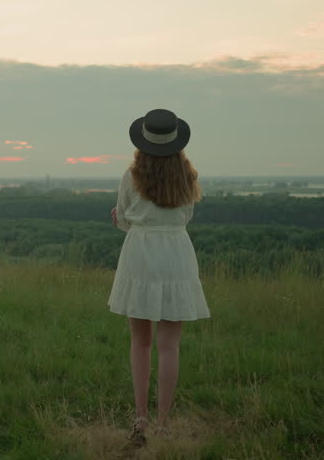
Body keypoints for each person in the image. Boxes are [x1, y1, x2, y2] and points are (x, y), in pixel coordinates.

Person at [108, 108, 210, 446]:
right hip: (177, 255)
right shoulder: (188, 176)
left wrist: (122, 219)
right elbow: (185, 216)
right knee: (170, 346)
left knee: (140, 342)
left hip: (141, 254)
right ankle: (164, 424)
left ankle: (141, 419)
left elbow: (123, 219)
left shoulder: (131, 175)